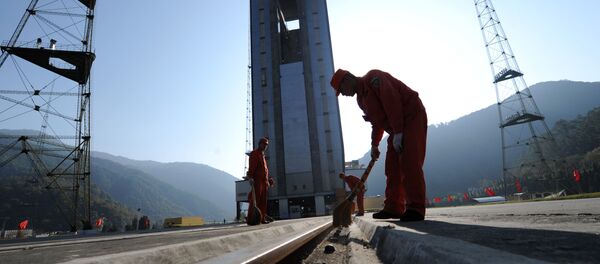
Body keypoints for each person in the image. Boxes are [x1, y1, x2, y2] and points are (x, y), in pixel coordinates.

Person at [330, 69, 428, 221]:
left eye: (341, 90)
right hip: (396, 127)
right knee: (392, 167)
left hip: (411, 116)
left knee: (409, 162)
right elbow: (377, 123)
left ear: (347, 79)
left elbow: (392, 101)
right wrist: (374, 144)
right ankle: (394, 207)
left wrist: (398, 131)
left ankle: (416, 207)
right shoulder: (361, 100)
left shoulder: (374, 78)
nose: (343, 94)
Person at [245, 137, 275, 224]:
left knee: (263, 201)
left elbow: (264, 170)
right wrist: (250, 177)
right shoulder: (255, 154)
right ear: (260, 144)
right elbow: (252, 167)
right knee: (255, 199)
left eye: (266, 145)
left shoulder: (262, 155)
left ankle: (261, 219)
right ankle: (250, 219)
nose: (265, 146)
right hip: (257, 181)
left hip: (264, 182)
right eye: (264, 144)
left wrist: (268, 180)